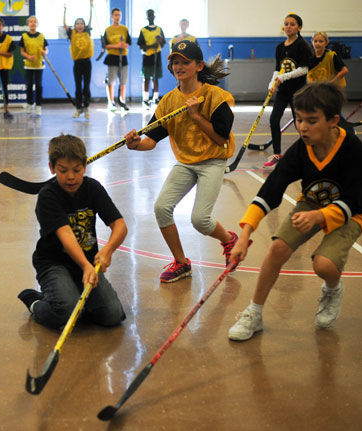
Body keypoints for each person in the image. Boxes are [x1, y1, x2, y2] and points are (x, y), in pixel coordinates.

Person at [227, 83, 362, 341]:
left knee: (323, 264)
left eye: (311, 121)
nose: (302, 127)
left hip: (353, 210)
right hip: (312, 202)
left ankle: (333, 289)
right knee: (277, 248)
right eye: (299, 119)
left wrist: (321, 216)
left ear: (334, 120)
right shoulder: (301, 149)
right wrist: (244, 235)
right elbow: (271, 189)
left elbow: (356, 198)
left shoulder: (354, 150)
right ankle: (254, 313)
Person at [124, 41, 240, 283]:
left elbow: (220, 139)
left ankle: (229, 240)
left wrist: (196, 116)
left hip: (212, 161)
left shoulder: (216, 97)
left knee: (199, 220)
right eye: (175, 62)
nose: (179, 66)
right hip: (186, 163)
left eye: (185, 62)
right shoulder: (168, 102)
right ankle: (181, 262)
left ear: (198, 66)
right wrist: (136, 144)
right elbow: (152, 140)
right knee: (161, 207)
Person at [17, 135, 127, 329]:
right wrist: (86, 265)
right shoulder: (48, 195)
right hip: (54, 264)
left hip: (86, 265)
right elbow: (66, 234)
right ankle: (36, 303)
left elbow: (119, 225)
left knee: (112, 315)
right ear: (52, 168)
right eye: (63, 170)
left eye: (77, 170)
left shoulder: (92, 188)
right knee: (66, 313)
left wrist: (108, 250)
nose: (70, 177)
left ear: (85, 166)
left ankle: (72, 295)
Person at [264, 13, 313, 167]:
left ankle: (308, 153)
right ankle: (277, 153)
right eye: (286, 24)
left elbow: (304, 69)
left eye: (292, 24)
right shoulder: (279, 47)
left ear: (299, 27)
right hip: (283, 92)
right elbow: (277, 70)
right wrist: (272, 84)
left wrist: (284, 78)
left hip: (298, 91)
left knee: (300, 123)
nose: (288, 27)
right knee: (273, 119)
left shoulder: (302, 45)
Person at [63, 1, 94, 119]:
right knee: (78, 87)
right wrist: (65, 11)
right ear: (75, 25)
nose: (80, 25)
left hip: (87, 63)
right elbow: (64, 24)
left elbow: (90, 20)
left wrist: (91, 7)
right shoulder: (72, 33)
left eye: (81, 23)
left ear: (84, 25)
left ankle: (86, 108)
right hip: (77, 63)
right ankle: (78, 108)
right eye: (77, 23)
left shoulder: (87, 32)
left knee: (86, 86)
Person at [102, 8, 132, 111]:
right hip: (112, 58)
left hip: (123, 57)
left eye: (119, 15)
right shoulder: (108, 30)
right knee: (111, 82)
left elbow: (128, 42)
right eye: (115, 15)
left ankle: (122, 101)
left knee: (123, 82)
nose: (117, 17)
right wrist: (117, 45)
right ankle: (111, 102)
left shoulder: (124, 29)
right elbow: (105, 45)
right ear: (111, 16)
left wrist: (124, 45)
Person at [20, 16, 48, 117]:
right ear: (28, 24)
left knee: (39, 85)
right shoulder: (24, 36)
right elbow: (22, 51)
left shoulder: (41, 36)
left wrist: (44, 52)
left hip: (39, 65)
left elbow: (46, 49)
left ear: (37, 24)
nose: (32, 23)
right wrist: (28, 56)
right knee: (29, 85)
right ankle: (29, 103)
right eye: (31, 22)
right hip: (28, 65)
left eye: (34, 22)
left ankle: (38, 106)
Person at [138, 9, 166, 108]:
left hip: (157, 56)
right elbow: (141, 46)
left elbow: (162, 44)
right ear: (146, 17)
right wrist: (151, 46)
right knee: (146, 78)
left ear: (154, 16)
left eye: (152, 15)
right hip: (147, 56)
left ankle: (155, 97)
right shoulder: (143, 30)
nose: (150, 16)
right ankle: (145, 99)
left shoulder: (159, 29)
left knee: (155, 77)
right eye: (148, 15)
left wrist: (160, 41)